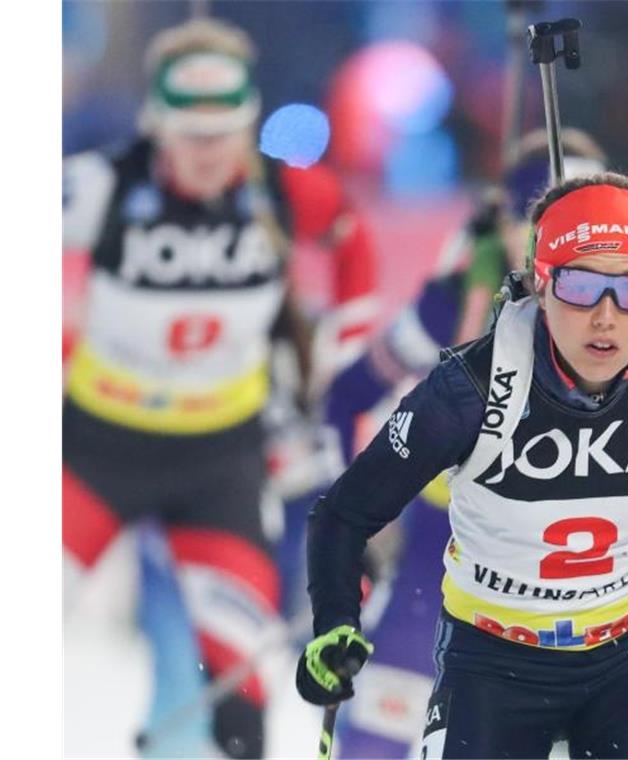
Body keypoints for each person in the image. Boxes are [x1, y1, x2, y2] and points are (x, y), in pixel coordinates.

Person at [296, 172, 628, 758]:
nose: (606, 317)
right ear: (540, 282)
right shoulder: (470, 389)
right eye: (581, 288)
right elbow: (343, 515)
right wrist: (333, 622)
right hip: (494, 657)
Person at [62, 17, 379, 758]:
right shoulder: (103, 182)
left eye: (226, 134)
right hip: (95, 451)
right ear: (157, 125)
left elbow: (351, 238)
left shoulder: (279, 191)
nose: (210, 156)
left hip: (221, 463)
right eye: (191, 136)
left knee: (240, 683)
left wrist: (345, 345)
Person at [321, 127, 609, 758]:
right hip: (443, 551)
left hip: (579, 575)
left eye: (580, 222)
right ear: (505, 218)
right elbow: (345, 397)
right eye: (538, 221)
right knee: (378, 739)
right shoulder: (454, 298)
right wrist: (362, 528)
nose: (557, 244)